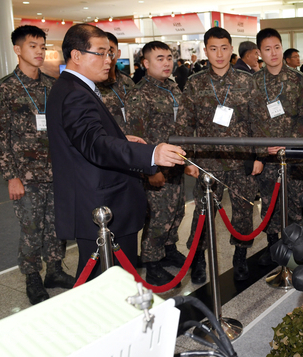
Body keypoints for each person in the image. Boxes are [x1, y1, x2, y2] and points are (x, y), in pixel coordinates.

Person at [46, 23, 186, 282]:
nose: (109, 60)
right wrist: (151, 155)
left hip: (98, 200)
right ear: (77, 55)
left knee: (105, 284)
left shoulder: (73, 87)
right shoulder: (75, 93)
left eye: (110, 53)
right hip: (101, 205)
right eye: (101, 52)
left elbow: (84, 138)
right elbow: (95, 144)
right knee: (107, 286)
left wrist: (121, 139)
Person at [0, 25, 75, 305]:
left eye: (42, 46)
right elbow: (0, 139)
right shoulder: (4, 90)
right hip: (25, 176)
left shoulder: (53, 86)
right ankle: (32, 276)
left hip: (57, 171)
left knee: (56, 224)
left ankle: (54, 269)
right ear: (17, 49)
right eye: (32, 46)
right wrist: (11, 176)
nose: (39, 52)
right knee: (31, 227)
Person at [176, 27, 261, 282]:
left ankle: (240, 257)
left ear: (231, 49)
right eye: (213, 49)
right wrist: (186, 161)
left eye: (224, 48)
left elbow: (257, 122)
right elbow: (183, 125)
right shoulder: (195, 83)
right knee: (202, 215)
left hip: (240, 160)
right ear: (205, 51)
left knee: (243, 213)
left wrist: (258, 157)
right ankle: (198, 260)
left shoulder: (247, 82)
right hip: (206, 163)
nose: (219, 54)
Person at [124, 41, 186, 288]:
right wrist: (151, 171)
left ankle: (169, 249)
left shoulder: (172, 87)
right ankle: (152, 264)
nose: (167, 63)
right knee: (158, 217)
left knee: (177, 211)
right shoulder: (139, 94)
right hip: (157, 168)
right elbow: (136, 139)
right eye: (159, 58)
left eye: (169, 57)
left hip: (176, 163)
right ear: (146, 64)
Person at [251, 29, 303, 265]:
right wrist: (260, 150)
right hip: (267, 157)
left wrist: (288, 142)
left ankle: (299, 247)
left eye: (276, 47)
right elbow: (249, 120)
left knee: (297, 202)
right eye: (267, 49)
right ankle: (273, 247)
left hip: (294, 155)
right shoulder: (253, 83)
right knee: (269, 201)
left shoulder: (297, 79)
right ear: (259, 53)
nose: (273, 53)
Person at [97, 32, 135, 131]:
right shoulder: (93, 84)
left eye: (110, 51)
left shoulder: (127, 81)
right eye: (102, 52)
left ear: (118, 53)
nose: (107, 56)